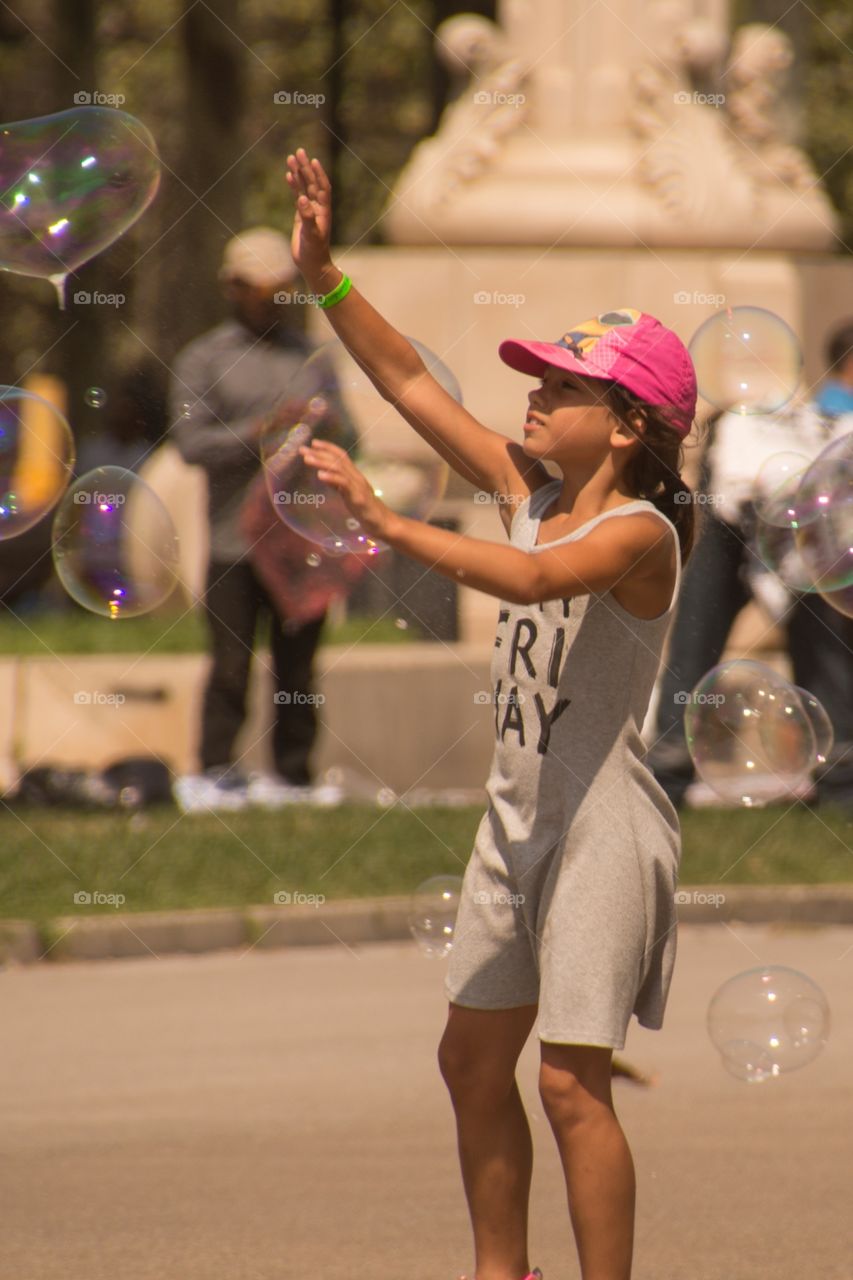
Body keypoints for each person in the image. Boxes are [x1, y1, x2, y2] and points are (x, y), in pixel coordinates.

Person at [286, 147, 698, 1280]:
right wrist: (323, 274)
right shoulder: (529, 489)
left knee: (570, 1084)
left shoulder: (641, 536)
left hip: (601, 826)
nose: (535, 392)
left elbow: (531, 578)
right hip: (514, 817)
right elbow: (410, 387)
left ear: (625, 425)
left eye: (562, 386)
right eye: (537, 378)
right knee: (471, 1061)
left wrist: (387, 524)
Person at [169, 227, 343, 810]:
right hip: (233, 543)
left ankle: (295, 778)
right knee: (230, 664)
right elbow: (191, 444)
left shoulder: (312, 357)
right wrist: (262, 432)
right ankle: (215, 772)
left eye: (282, 290)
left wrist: (327, 432)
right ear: (231, 288)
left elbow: (348, 432)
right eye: (259, 290)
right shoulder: (203, 359)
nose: (272, 302)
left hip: (300, 542)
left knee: (299, 668)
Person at [647, 320, 853, 811]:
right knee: (699, 647)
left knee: (814, 647)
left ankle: (838, 783)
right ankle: (665, 782)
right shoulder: (817, 416)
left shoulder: (815, 416)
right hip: (737, 529)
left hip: (796, 540)